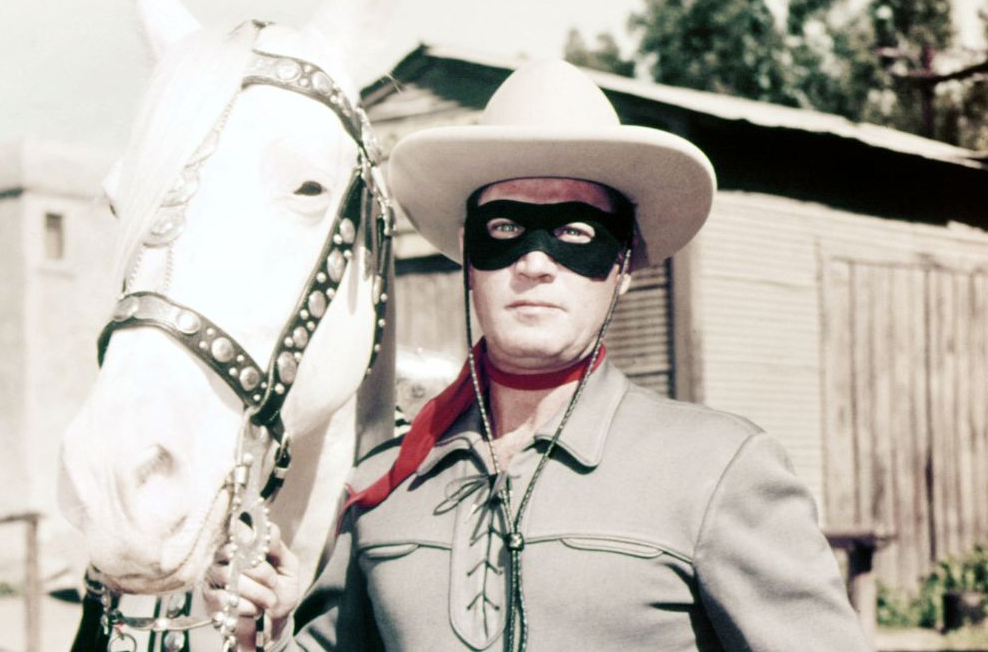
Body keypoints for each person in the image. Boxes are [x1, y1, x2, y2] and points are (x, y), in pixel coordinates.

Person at [209, 59, 870, 651]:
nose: (532, 261)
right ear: (467, 259)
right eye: (503, 229)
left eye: (574, 232)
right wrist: (256, 631)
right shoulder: (382, 488)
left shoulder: (717, 470)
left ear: (621, 266)